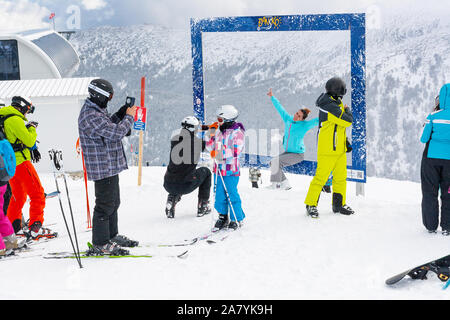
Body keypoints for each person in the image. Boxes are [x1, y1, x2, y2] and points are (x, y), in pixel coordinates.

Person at [78, 78, 138, 255]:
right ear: (99, 96)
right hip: (102, 166)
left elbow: (107, 126)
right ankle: (101, 243)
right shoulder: (90, 115)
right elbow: (116, 132)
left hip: (109, 165)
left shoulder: (96, 111)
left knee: (113, 202)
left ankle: (111, 235)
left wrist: (119, 114)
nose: (109, 100)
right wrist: (129, 116)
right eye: (109, 97)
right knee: (105, 205)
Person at [0, 96, 56, 240]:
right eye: (27, 110)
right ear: (23, 107)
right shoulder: (15, 119)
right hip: (22, 163)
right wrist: (32, 128)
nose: (27, 114)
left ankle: (14, 227)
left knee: (18, 196)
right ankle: (35, 227)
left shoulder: (5, 118)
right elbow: (30, 140)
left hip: (10, 165)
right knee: (37, 193)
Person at [304, 77, 355, 218]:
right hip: (327, 150)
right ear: (338, 90)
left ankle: (339, 205)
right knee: (320, 178)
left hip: (339, 150)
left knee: (340, 178)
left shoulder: (335, 102)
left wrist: (345, 142)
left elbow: (337, 127)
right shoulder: (329, 107)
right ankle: (311, 204)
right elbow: (347, 121)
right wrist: (348, 110)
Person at [266, 88, 319, 190]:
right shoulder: (288, 119)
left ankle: (276, 185)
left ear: (302, 119)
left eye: (299, 116)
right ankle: (285, 183)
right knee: (273, 162)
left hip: (297, 154)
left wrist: (330, 112)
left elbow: (317, 121)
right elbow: (280, 108)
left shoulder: (304, 125)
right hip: (288, 152)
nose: (296, 116)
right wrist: (272, 97)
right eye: (296, 113)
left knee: (276, 162)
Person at [205, 105, 246, 230]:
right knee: (219, 194)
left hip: (230, 170)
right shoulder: (218, 131)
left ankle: (236, 218)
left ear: (228, 119)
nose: (218, 121)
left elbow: (235, 150)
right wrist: (210, 134)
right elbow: (209, 146)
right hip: (218, 169)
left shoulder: (237, 133)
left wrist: (218, 154)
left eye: (220, 119)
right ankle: (223, 216)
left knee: (231, 194)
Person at [163, 116, 212, 218]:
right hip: (186, 185)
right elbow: (209, 145)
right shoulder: (197, 143)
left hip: (168, 183)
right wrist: (210, 131)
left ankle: (172, 199)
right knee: (206, 172)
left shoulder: (174, 139)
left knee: (179, 173)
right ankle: (203, 205)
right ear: (194, 128)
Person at [420, 84, 450, 235]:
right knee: (448, 193)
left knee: (430, 192)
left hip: (431, 159)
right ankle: (447, 227)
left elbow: (424, 138)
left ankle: (431, 226)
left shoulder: (433, 116)